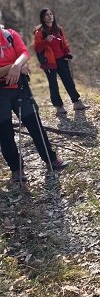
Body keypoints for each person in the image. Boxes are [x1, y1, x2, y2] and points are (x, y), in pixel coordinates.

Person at [0, 25, 68, 182]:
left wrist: (17, 65)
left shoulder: (9, 35)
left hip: (20, 87)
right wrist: (13, 68)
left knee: (35, 124)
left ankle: (51, 159)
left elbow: (24, 53)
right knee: (5, 133)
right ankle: (16, 169)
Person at [33, 8, 87, 116]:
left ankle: (76, 102)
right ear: (43, 18)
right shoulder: (39, 32)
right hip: (48, 62)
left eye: (51, 14)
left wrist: (67, 53)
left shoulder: (58, 29)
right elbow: (37, 48)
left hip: (62, 59)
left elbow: (64, 43)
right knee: (53, 84)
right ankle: (59, 107)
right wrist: (45, 41)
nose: (50, 16)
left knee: (68, 80)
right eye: (47, 15)